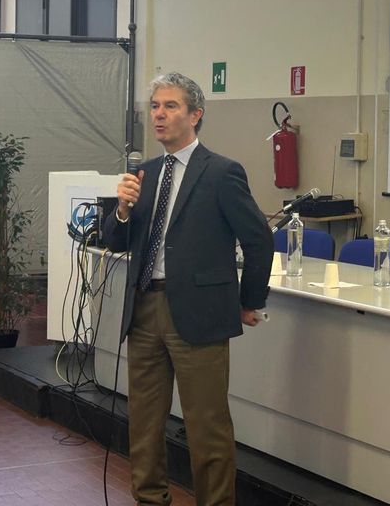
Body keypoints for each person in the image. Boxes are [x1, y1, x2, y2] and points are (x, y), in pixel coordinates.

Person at [102, 72, 274, 506]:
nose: (159, 115)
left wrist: (249, 302)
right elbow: (116, 241)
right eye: (155, 106)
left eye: (171, 106)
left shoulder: (221, 172)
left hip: (199, 313)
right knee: (143, 421)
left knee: (206, 427)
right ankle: (149, 499)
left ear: (195, 115)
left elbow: (259, 239)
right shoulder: (144, 172)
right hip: (144, 309)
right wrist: (121, 209)